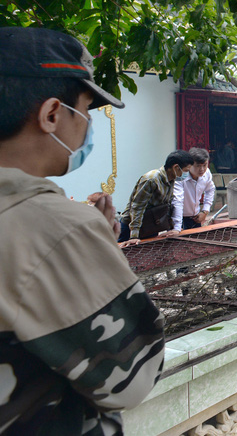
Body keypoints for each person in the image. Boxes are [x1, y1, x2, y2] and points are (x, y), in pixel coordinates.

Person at [0, 26, 165, 432]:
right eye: (86, 110)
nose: (88, 125)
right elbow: (132, 376)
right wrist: (92, 244)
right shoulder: (56, 227)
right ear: (52, 114)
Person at [118, 149, 195, 244]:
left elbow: (168, 205)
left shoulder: (171, 179)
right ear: (176, 168)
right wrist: (134, 235)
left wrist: (173, 227)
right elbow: (137, 207)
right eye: (186, 171)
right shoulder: (151, 179)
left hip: (150, 225)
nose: (186, 174)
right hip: (132, 227)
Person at [173, 147, 216, 231]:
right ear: (189, 165)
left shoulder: (207, 173)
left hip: (196, 218)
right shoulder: (180, 176)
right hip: (178, 218)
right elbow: (177, 201)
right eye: (198, 166)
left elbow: (210, 189)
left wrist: (205, 211)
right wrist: (177, 226)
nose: (202, 169)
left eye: (205, 165)